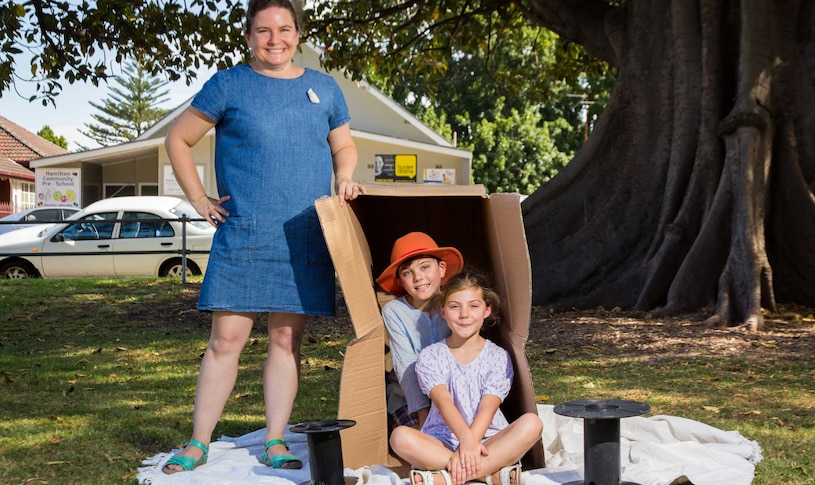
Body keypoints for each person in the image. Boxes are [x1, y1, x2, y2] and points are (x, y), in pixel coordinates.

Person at [161, 0, 366, 474]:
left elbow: (345, 145)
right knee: (226, 339)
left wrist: (344, 176)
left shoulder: (324, 87)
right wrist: (199, 200)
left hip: (304, 236)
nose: (275, 39)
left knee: (285, 341)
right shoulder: (229, 84)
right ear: (249, 36)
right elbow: (178, 139)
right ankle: (198, 442)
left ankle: (275, 439)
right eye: (263, 31)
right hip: (245, 233)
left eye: (284, 29)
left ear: (299, 33)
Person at [389, 272, 543, 485]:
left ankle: (449, 478)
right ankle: (491, 475)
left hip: (488, 441)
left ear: (486, 310)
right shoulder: (430, 356)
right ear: (443, 312)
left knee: (532, 424)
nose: (464, 314)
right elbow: (443, 402)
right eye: (454, 306)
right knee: (400, 437)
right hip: (441, 442)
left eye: (473, 306)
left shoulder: (497, 356)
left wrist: (471, 442)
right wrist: (465, 440)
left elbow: (488, 407)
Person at [375, 232, 464, 429]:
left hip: (455, 393)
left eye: (425, 267)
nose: (418, 277)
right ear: (400, 281)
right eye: (407, 272)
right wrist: (424, 417)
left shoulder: (456, 303)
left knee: (459, 432)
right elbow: (405, 365)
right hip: (409, 398)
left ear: (441, 269)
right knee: (414, 439)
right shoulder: (395, 311)